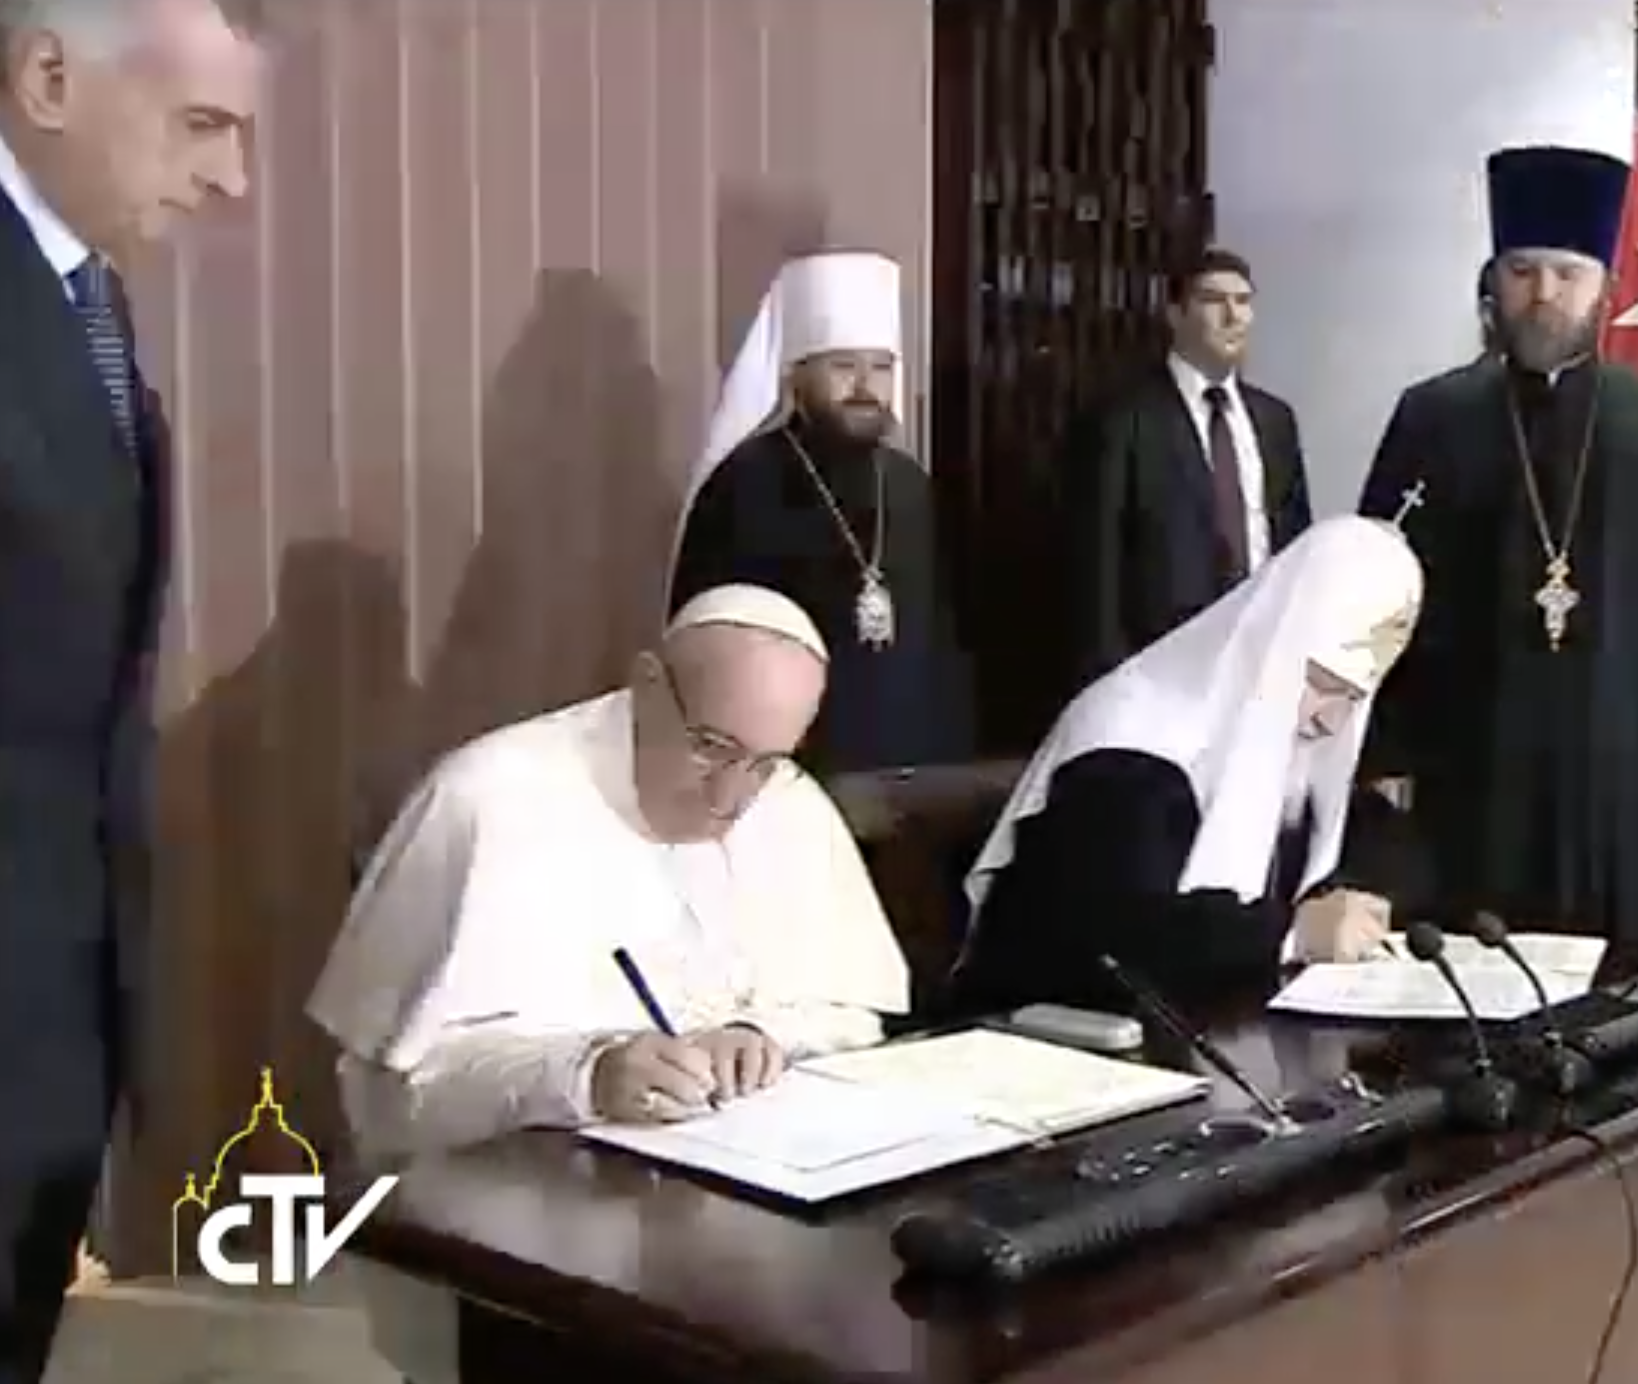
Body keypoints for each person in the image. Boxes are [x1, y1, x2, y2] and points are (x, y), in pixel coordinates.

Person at [0, 1, 262, 1376]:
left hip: (54, 996)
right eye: (202, 124)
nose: (233, 178)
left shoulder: (82, 292)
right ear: (49, 77)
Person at [305, 585, 910, 1164]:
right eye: (710, 746)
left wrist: (760, 1038)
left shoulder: (792, 804)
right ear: (647, 684)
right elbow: (387, 1100)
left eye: (766, 762)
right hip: (522, 1200)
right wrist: (587, 1076)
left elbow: (853, 1018)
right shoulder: (487, 797)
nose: (731, 798)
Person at [1354, 144, 1638, 951]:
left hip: (1630, 799)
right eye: (1521, 271)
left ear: (1607, 287)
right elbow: (1372, 603)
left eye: (1566, 273)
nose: (1543, 294)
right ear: (1492, 283)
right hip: (1475, 789)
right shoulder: (1433, 418)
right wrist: (1379, 762)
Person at [951, 517, 1426, 1016]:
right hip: (1047, 1035)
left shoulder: (1289, 742)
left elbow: (1383, 846)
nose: (1331, 721)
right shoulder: (1131, 736)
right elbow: (1119, 939)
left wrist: (1360, 902)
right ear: (1269, 646)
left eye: (1353, 699)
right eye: (1324, 686)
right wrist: (1292, 933)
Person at [670, 250, 974, 776]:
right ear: (796, 377)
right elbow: (707, 640)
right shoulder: (744, 484)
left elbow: (944, 638)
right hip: (789, 766)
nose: (865, 387)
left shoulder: (907, 483)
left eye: (881, 368)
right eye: (843, 367)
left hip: (913, 768)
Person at [1060, 246, 1313, 691]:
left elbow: (1294, 542)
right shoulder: (1125, 421)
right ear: (1175, 314)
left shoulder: (1274, 420)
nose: (1233, 317)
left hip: (1261, 652)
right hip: (1163, 662)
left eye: (1243, 301)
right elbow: (1098, 563)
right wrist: (1114, 679)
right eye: (1214, 301)